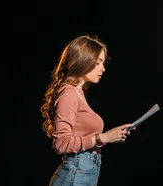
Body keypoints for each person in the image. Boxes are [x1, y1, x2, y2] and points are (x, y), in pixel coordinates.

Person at [40, 34, 135, 186]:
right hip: (75, 174)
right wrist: (103, 137)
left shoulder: (78, 93)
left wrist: (113, 135)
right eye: (98, 63)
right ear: (83, 60)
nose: (103, 69)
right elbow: (61, 143)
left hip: (84, 172)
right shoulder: (69, 93)